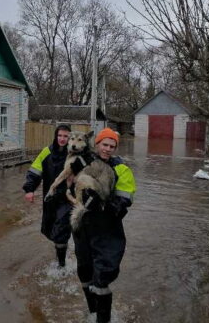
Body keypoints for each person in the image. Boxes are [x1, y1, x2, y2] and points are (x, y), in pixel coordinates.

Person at [70, 128, 136, 323]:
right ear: (97, 144)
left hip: (107, 229)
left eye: (112, 146)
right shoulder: (83, 161)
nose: (107, 149)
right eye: (104, 144)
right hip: (83, 226)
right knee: (84, 270)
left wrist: (107, 205)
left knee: (103, 274)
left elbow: (125, 196)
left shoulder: (121, 168)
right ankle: (92, 311)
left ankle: (103, 319)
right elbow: (69, 184)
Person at [22, 124, 72, 267]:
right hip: (50, 198)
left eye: (66, 136)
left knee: (61, 230)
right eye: (60, 136)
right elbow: (35, 171)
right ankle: (61, 252)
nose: (62, 139)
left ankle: (61, 265)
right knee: (50, 229)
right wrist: (30, 189)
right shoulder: (47, 152)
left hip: (68, 199)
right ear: (56, 136)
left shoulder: (74, 154)